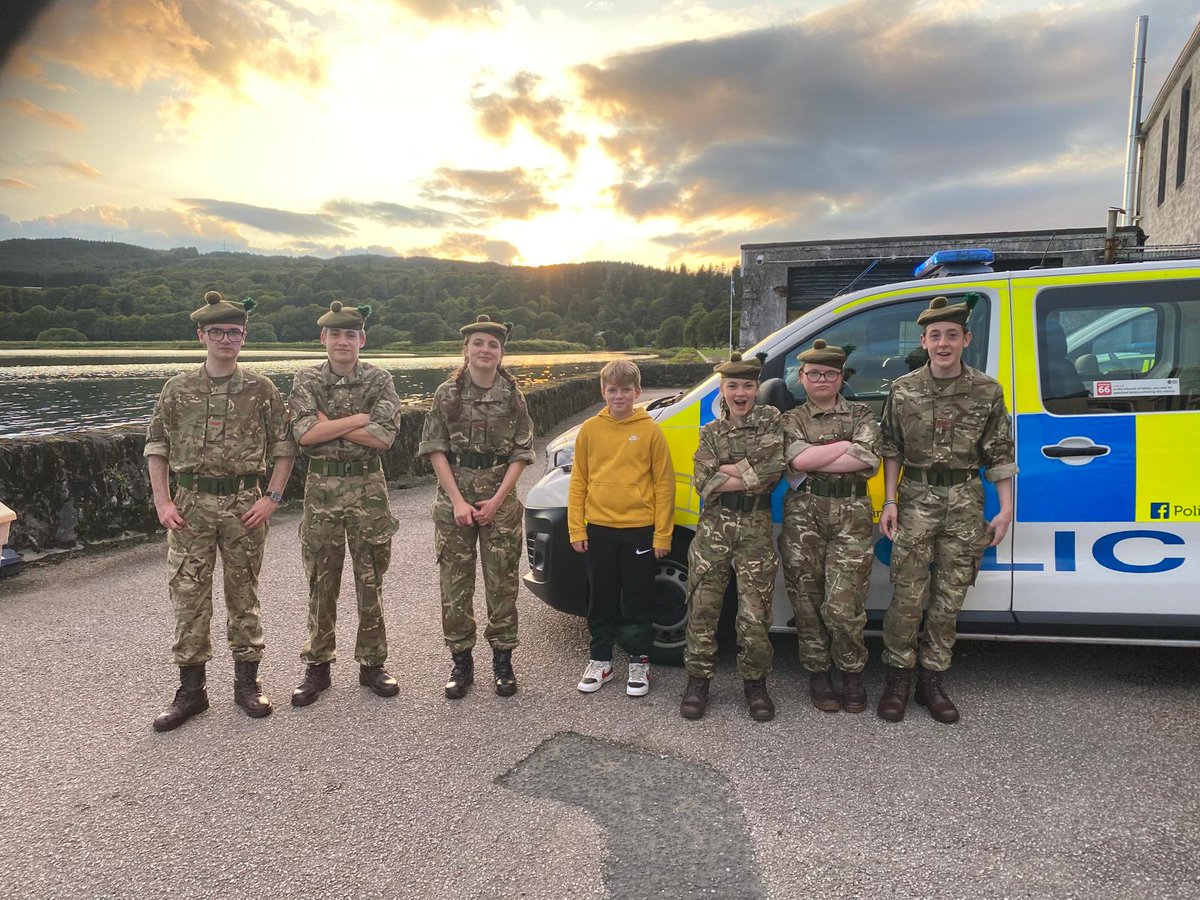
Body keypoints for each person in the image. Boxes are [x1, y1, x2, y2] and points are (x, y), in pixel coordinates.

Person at [146, 291, 296, 732]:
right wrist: (162, 501)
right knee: (188, 595)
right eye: (217, 332)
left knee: (243, 592)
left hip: (243, 504)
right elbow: (156, 447)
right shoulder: (177, 389)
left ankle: (247, 684)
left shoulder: (261, 389)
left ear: (243, 337)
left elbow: (284, 448)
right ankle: (191, 692)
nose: (226, 339)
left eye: (233, 332)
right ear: (202, 336)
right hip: (189, 505)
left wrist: (273, 497)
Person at [877, 296, 1017, 724]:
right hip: (916, 498)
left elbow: (999, 454)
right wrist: (889, 500)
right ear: (923, 340)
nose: (943, 343)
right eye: (935, 336)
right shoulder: (903, 390)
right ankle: (898, 679)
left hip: (964, 501)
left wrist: (1006, 510)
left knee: (949, 598)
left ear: (966, 340)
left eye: (952, 335)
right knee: (907, 596)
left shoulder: (987, 390)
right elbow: (892, 449)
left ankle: (932, 680)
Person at [288, 301, 402, 707]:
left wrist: (330, 425)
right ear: (323, 339)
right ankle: (317, 666)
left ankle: (373, 664)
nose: (342, 341)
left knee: (370, 579)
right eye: (335, 335)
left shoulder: (379, 378)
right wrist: (359, 419)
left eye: (350, 335)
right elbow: (303, 434)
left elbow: (384, 437)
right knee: (321, 581)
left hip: (368, 489)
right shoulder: (306, 379)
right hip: (321, 494)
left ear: (362, 339)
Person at [418, 315, 534, 699]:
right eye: (479, 343)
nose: (486, 350)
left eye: (493, 345)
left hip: (499, 501)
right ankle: (461, 662)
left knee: (502, 584)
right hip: (455, 499)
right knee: (455, 585)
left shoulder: (513, 395)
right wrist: (457, 501)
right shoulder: (446, 395)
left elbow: (521, 452)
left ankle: (503, 661)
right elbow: (435, 449)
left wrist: (496, 501)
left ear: (501, 353)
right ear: (466, 349)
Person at [680, 352, 784, 722]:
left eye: (748, 385)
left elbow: (773, 471)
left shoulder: (772, 421)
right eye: (733, 386)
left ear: (757, 388)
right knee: (703, 608)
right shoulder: (709, 432)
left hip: (755, 529)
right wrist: (748, 472)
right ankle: (698, 680)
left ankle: (755, 683)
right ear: (722, 391)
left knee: (755, 613)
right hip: (713, 531)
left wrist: (725, 472)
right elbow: (703, 484)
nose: (741, 393)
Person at [779, 340, 880, 714]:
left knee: (844, 604)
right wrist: (844, 445)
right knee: (806, 599)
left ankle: (852, 671)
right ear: (802, 378)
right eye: (814, 373)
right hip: (804, 514)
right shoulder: (789, 420)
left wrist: (816, 457)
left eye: (831, 373)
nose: (822, 379)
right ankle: (818, 673)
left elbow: (865, 458)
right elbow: (798, 459)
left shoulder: (863, 414)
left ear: (841, 377)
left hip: (851, 514)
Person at [568, 360, 675, 697]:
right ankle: (601, 660)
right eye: (612, 389)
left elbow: (664, 485)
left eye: (626, 389)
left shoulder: (650, 431)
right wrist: (576, 529)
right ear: (603, 392)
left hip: (639, 531)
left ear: (637, 392)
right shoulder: (589, 430)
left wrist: (662, 534)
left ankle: (638, 662)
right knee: (600, 597)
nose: (619, 396)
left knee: (637, 599)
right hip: (598, 528)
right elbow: (578, 482)